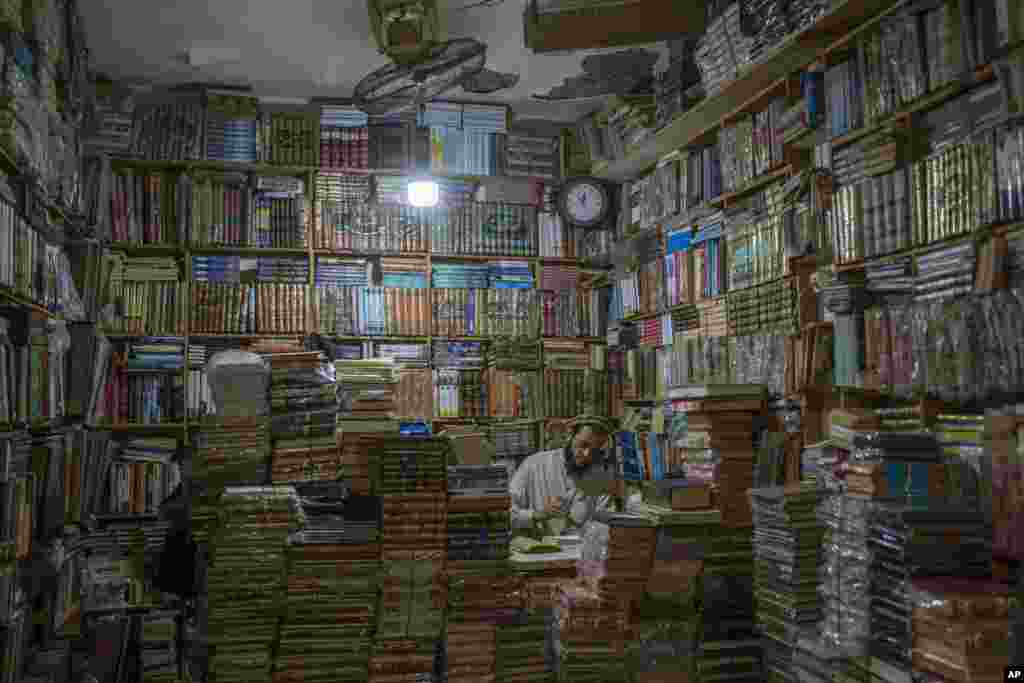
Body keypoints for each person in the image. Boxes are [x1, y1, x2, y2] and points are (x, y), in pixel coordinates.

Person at [510, 415, 626, 531]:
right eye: (583, 445)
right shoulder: (534, 465)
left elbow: (605, 524)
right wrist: (538, 514)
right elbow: (506, 514)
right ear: (569, 437)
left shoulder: (601, 477)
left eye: (594, 449)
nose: (586, 454)